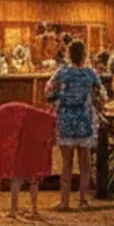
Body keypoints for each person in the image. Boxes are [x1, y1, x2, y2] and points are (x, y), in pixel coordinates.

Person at [45, 40, 104, 211]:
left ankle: (64, 201)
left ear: (68, 54)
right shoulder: (90, 73)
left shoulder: (62, 72)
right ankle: (83, 200)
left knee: (66, 164)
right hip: (84, 119)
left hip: (66, 119)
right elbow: (101, 93)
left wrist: (56, 99)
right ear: (84, 55)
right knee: (84, 163)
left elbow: (48, 91)